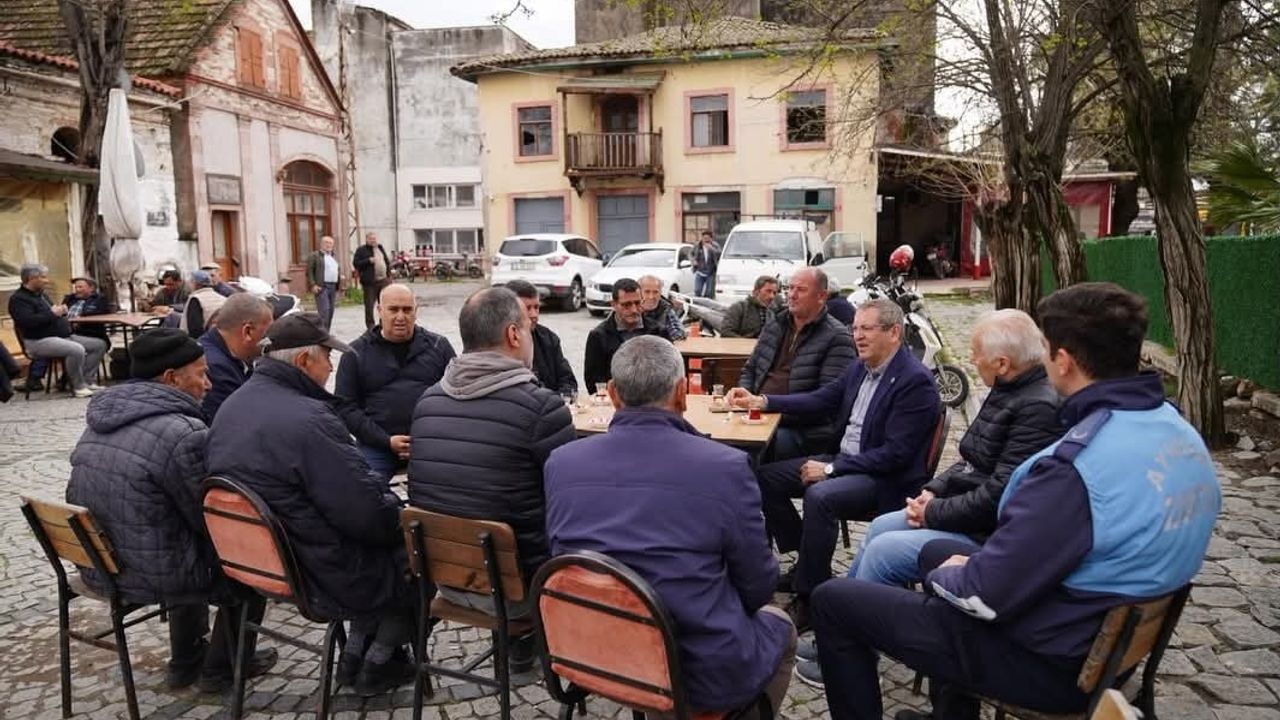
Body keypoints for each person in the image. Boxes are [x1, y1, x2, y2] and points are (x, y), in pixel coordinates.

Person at [809, 283, 1221, 720]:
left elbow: (986, 597)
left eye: (1045, 348)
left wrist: (949, 579)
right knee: (933, 551)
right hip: (1108, 638)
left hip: (1049, 661)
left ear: (1062, 361)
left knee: (836, 601)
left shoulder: (1076, 467)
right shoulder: (1179, 431)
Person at [791, 310, 1062, 685]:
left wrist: (935, 513)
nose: (970, 359)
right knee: (885, 525)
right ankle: (836, 630)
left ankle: (850, 648)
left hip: (987, 533)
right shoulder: (1008, 388)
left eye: (975, 353)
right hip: (959, 509)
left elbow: (999, 495)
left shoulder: (1036, 408)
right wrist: (932, 492)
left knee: (884, 550)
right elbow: (969, 462)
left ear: (1002, 362)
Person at [546, 336, 796, 716]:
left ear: (612, 394)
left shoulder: (561, 463)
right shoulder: (724, 468)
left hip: (591, 648)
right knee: (781, 625)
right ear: (682, 393)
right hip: (692, 669)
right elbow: (759, 585)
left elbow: (564, 556)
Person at [207, 312, 413, 697]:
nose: (332, 366)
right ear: (303, 362)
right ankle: (378, 662)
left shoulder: (232, 405)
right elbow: (367, 514)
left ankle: (355, 655)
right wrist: (400, 512)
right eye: (326, 357)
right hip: (314, 569)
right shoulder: (309, 418)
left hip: (260, 560)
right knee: (417, 554)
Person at [66, 328, 276, 693]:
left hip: (100, 564)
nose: (208, 384)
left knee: (175, 543)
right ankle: (221, 670)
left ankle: (186, 661)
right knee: (248, 571)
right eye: (201, 372)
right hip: (145, 573)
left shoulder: (98, 423)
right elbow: (209, 517)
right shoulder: (183, 432)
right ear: (171, 378)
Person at [729, 298, 940, 631]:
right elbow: (822, 397)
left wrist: (830, 470)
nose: (858, 336)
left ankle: (811, 598)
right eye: (855, 328)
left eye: (867, 329)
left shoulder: (915, 381)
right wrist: (764, 401)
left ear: (894, 332)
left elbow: (895, 455)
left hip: (883, 477)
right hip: (845, 460)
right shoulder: (861, 366)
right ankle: (807, 560)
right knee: (762, 478)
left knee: (821, 496)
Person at [408, 286, 576, 672]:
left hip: (445, 577)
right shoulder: (542, 408)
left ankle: (519, 643)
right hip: (516, 588)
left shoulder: (427, 402)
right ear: (514, 335)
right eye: (528, 329)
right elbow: (571, 507)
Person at [335, 283, 455, 479]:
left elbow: (455, 397)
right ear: (379, 311)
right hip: (377, 445)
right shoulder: (355, 354)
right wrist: (386, 440)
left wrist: (430, 438)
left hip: (432, 442)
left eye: (407, 310)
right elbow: (345, 408)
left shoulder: (438, 347)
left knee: (457, 485)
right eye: (393, 310)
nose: (400, 317)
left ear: (416, 312)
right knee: (364, 490)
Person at [737, 268, 856, 459]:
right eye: (789, 288)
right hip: (758, 418)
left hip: (804, 431)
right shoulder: (775, 324)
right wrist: (744, 395)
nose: (791, 295)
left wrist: (767, 404)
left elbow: (826, 401)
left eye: (800, 289)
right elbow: (750, 369)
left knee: (747, 453)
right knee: (712, 442)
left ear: (821, 296)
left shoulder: (837, 337)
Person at [8, 264, 109, 397]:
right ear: (32, 278)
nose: (47, 280)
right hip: (39, 340)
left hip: (61, 336)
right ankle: (78, 387)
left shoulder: (41, 295)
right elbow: (27, 322)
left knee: (99, 345)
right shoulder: (19, 299)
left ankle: (86, 381)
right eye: (43, 277)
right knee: (76, 349)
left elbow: (51, 313)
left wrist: (61, 311)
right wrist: (53, 313)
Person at [197, 293, 274, 420]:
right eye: (267, 334)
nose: (270, 341)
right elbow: (240, 422)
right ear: (247, 331)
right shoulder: (216, 369)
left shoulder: (219, 353)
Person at [583, 277, 669, 390]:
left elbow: (669, 372)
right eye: (626, 305)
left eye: (637, 303)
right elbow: (594, 382)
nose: (634, 310)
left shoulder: (658, 332)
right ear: (613, 304)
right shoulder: (599, 336)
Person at [507, 280, 577, 394]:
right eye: (527, 308)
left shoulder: (549, 338)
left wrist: (554, 402)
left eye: (536, 307)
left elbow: (569, 381)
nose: (534, 315)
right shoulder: (499, 342)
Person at [353, 231, 392, 329]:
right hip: (370, 282)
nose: (373, 240)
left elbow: (386, 261)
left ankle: (383, 324)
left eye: (374, 238)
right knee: (369, 305)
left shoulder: (380, 247)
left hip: (383, 281)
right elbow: (356, 263)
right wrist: (368, 261)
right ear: (366, 239)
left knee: (384, 304)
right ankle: (370, 326)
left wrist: (389, 274)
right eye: (371, 239)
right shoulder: (361, 250)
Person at [61, 276, 113, 345]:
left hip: (87, 333)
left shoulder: (99, 299)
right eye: (75, 287)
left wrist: (81, 318)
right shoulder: (69, 299)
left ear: (91, 288)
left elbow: (104, 314)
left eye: (80, 287)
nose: (77, 290)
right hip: (66, 333)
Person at [638, 274, 687, 340]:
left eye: (655, 292)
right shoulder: (632, 308)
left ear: (660, 292)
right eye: (647, 292)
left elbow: (679, 334)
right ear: (639, 292)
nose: (651, 296)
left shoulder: (665, 308)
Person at [307, 235, 341, 329]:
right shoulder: (315, 256)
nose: (328, 245)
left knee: (331, 312)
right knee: (324, 311)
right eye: (326, 242)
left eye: (330, 243)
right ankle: (321, 334)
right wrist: (313, 285)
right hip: (322, 286)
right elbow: (309, 271)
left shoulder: (333, 256)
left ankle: (326, 333)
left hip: (333, 286)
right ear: (321, 244)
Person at [182, 270, 228, 337]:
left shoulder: (196, 299)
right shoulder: (222, 298)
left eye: (191, 282)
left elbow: (195, 330)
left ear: (196, 284)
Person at [692, 230, 720, 298]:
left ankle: (707, 304)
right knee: (697, 290)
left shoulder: (715, 246)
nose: (706, 240)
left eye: (707, 239)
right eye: (704, 238)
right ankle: (698, 303)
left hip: (710, 272)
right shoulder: (698, 245)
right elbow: (691, 254)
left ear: (711, 239)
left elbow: (719, 254)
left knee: (709, 292)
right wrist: (693, 261)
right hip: (700, 271)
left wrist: (711, 249)